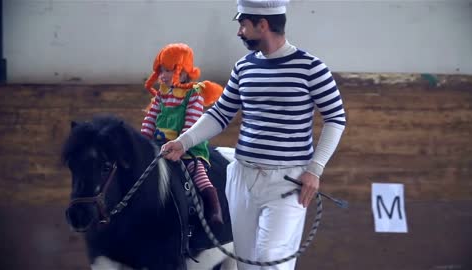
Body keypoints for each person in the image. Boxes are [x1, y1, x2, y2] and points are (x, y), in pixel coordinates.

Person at [162, 0, 346, 269]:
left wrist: (315, 170)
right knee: (247, 263)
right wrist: (183, 141)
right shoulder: (244, 67)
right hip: (242, 177)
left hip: (287, 182)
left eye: (243, 25)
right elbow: (220, 114)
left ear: (263, 25)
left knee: (270, 258)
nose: (239, 32)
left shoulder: (312, 68)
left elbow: (335, 118)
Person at [141, 43, 224, 225]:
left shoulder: (194, 94)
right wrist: (144, 141)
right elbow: (150, 119)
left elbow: (192, 123)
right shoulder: (161, 95)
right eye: (161, 71)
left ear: (184, 72)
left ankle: (213, 209)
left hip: (188, 147)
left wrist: (182, 143)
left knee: (198, 173)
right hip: (160, 146)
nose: (163, 76)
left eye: (168, 71)